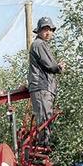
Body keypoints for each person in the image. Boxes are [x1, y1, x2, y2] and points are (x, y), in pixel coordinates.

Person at [21, 17, 65, 146]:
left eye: (50, 30)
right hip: (41, 86)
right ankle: (43, 147)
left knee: (46, 117)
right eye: (45, 29)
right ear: (39, 31)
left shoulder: (42, 45)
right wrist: (59, 67)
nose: (48, 32)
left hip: (45, 86)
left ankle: (44, 145)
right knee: (45, 118)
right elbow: (50, 65)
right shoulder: (39, 44)